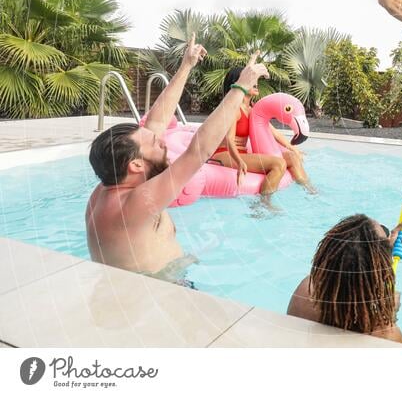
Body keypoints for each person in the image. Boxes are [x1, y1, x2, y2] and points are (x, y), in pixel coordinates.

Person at [86, 39, 269, 278]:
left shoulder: (107, 187)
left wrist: (186, 66)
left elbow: (157, 122)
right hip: (154, 297)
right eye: (154, 143)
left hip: (148, 285)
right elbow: (198, 151)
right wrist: (241, 87)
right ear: (136, 164)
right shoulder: (135, 203)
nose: (162, 141)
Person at [287, 214, 402, 343]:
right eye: (385, 232)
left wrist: (382, 253)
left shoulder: (304, 293)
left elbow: (349, 275)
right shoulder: (386, 335)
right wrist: (390, 315)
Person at [209, 67, 314, 200]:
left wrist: (293, 149)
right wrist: (239, 162)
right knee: (279, 164)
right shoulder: (234, 108)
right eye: (251, 79)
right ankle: (263, 205)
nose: (256, 82)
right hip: (225, 154)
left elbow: (274, 133)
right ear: (238, 83)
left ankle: (310, 191)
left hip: (242, 152)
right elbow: (229, 140)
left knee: (292, 158)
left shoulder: (252, 109)